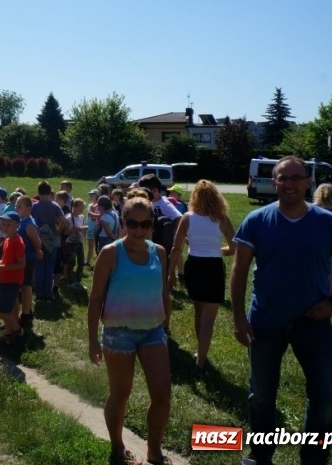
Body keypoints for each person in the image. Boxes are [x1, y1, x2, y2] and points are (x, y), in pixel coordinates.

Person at [231, 156, 332, 465]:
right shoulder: (256, 220)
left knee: (328, 394)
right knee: (261, 395)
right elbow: (238, 270)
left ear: (307, 182)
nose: (288, 184)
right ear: (274, 183)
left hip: (312, 322)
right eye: (282, 178)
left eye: (295, 178)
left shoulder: (326, 222)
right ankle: (260, 456)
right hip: (265, 322)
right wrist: (238, 317)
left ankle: (313, 457)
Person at [88, 195, 172, 465]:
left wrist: (166, 324)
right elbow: (96, 298)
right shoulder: (111, 252)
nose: (138, 230)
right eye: (132, 223)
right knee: (120, 394)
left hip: (153, 331)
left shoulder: (159, 252)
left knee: (162, 395)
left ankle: (154, 451)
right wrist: (92, 341)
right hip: (118, 333)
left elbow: (163, 292)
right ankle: (117, 447)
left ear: (152, 225)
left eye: (145, 224)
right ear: (123, 222)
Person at [167, 180, 236, 378]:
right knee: (208, 319)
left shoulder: (187, 217)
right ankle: (201, 361)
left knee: (199, 312)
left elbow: (176, 248)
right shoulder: (221, 218)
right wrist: (216, 250)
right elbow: (234, 247)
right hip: (213, 267)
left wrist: (171, 273)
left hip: (194, 266)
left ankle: (201, 355)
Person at [0, 212, 26, 344]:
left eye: (8, 224)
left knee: (0, 311)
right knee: (11, 307)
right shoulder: (7, 240)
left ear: (16, 224)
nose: (5, 227)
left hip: (12, 280)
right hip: (5, 278)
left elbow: (21, 264)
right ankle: (9, 332)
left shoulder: (17, 241)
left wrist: (1, 268)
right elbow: (6, 261)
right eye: (3, 224)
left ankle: (19, 331)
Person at [32, 181, 66, 302]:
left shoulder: (34, 206)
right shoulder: (55, 206)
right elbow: (64, 221)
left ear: (38, 192)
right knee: (50, 267)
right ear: (49, 191)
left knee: (39, 266)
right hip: (52, 238)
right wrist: (57, 232)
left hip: (38, 238)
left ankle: (39, 294)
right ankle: (47, 294)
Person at [14, 196, 42, 328]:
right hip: (22, 258)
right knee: (23, 286)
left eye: (19, 206)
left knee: (26, 286)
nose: (16, 208)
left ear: (28, 208)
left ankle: (26, 313)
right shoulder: (22, 220)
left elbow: (37, 241)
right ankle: (26, 311)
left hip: (28, 259)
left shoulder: (29, 224)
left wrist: (38, 251)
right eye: (16, 206)